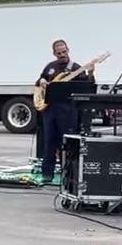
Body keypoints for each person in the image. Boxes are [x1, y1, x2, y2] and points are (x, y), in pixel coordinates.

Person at [35, 39, 90, 184]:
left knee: (68, 143)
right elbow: (40, 80)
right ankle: (47, 174)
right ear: (54, 53)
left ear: (68, 50)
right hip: (50, 109)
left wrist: (90, 73)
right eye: (59, 53)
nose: (62, 55)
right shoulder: (50, 67)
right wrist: (41, 81)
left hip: (67, 110)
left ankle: (69, 175)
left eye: (64, 52)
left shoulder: (76, 67)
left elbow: (87, 85)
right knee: (49, 142)